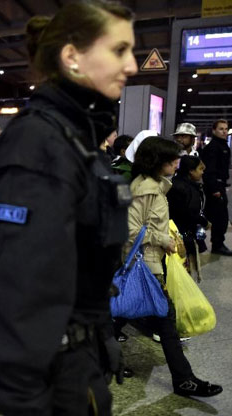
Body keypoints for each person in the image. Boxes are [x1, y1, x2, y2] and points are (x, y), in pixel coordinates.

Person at [0, 1, 139, 414]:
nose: (132, 65)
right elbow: (14, 291)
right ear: (72, 57)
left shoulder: (72, 141)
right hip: (46, 379)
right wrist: (23, 400)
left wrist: (99, 335)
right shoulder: (38, 145)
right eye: (119, 50)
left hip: (75, 359)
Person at [127, 137, 222, 397]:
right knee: (164, 319)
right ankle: (184, 379)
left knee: (130, 314)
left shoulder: (157, 186)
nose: (177, 162)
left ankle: (182, 378)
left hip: (154, 261)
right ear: (158, 162)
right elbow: (131, 230)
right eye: (172, 159)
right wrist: (163, 239)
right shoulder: (144, 190)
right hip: (145, 264)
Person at [167, 155, 209, 281]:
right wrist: (204, 222)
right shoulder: (182, 187)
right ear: (191, 171)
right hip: (182, 234)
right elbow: (189, 212)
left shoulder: (179, 184)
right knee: (184, 270)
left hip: (183, 231)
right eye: (200, 169)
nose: (202, 173)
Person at [200, 119, 231, 255]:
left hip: (220, 184)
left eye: (226, 129)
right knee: (220, 217)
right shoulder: (213, 147)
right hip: (215, 186)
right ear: (214, 131)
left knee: (219, 216)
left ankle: (217, 243)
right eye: (221, 129)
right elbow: (209, 170)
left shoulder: (223, 146)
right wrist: (215, 189)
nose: (224, 131)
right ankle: (217, 245)